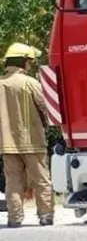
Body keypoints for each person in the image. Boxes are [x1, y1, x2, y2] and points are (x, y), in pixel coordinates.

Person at [0, 43, 54, 227]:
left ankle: (14, 218)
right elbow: (45, 108)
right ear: (23, 62)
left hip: (6, 142)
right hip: (33, 140)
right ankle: (45, 215)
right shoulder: (31, 83)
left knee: (13, 181)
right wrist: (47, 125)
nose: (30, 65)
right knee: (41, 180)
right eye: (29, 62)